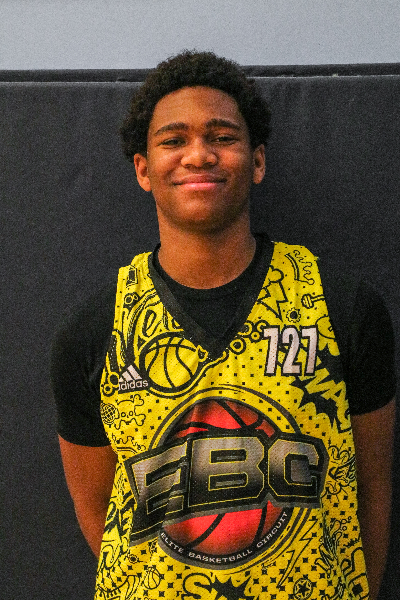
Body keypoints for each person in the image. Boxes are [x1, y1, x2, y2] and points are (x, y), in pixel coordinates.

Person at [51, 51, 396, 600]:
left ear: (257, 162)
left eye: (222, 137)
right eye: (173, 140)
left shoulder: (341, 307)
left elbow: (372, 491)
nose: (199, 154)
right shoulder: (96, 330)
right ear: (143, 169)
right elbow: (99, 512)